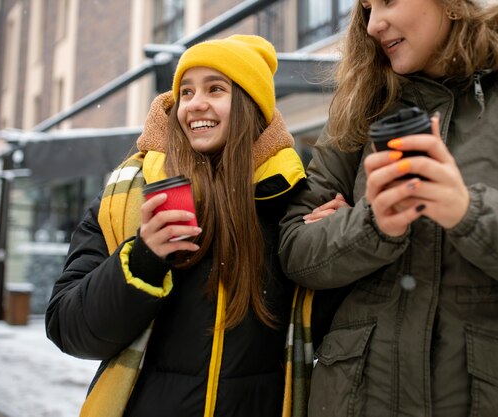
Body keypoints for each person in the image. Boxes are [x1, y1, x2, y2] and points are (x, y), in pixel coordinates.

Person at [278, 1, 498, 416]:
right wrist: (371, 224)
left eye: (386, 2)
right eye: (364, 8)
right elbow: (295, 249)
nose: (373, 24)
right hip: (356, 400)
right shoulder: (362, 103)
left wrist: (469, 214)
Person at [45, 34, 307, 417]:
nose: (194, 104)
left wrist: (330, 238)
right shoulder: (127, 197)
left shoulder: (290, 197)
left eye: (215, 89)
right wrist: (143, 259)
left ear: (251, 105)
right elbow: (70, 328)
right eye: (185, 91)